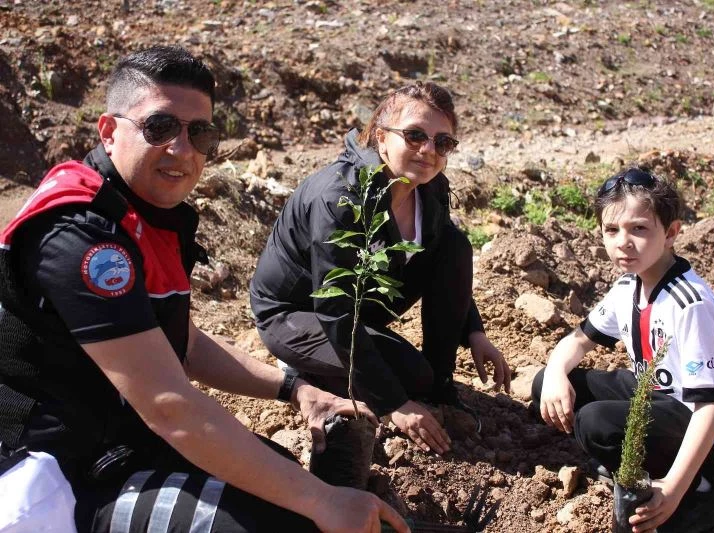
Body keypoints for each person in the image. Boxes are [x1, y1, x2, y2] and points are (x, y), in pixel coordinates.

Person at [0, 45, 409, 533]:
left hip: (116, 441)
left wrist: (296, 389)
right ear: (109, 132)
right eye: (159, 127)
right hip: (52, 475)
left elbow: (184, 343)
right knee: (286, 519)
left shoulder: (142, 215)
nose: (182, 149)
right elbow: (169, 404)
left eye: (200, 133)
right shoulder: (82, 236)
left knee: (281, 484)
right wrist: (324, 501)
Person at [250, 82, 511, 456]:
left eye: (442, 142)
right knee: (407, 379)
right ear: (381, 137)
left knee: (454, 246)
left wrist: (474, 332)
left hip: (361, 303)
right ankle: (302, 369)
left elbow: (444, 265)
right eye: (415, 135)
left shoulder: (430, 188)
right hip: (297, 313)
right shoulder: (341, 199)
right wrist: (395, 404)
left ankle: (440, 387)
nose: (428, 150)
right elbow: (334, 309)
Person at [530, 168, 714, 533]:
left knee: (596, 424)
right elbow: (578, 340)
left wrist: (673, 488)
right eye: (612, 230)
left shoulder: (689, 304)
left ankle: (699, 494)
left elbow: (710, 408)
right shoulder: (628, 287)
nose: (623, 242)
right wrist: (557, 373)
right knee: (547, 383)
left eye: (638, 228)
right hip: (658, 397)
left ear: (670, 233)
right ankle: (645, 467)